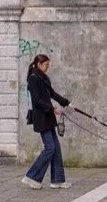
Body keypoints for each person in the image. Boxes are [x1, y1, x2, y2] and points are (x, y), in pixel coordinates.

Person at [21, 54, 73, 190]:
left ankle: (57, 180)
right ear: (38, 64)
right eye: (46, 65)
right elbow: (37, 100)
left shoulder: (43, 78)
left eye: (48, 65)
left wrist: (67, 103)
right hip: (41, 118)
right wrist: (52, 108)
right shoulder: (33, 79)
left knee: (56, 148)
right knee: (50, 147)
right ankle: (32, 176)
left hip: (48, 117)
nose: (47, 67)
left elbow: (52, 94)